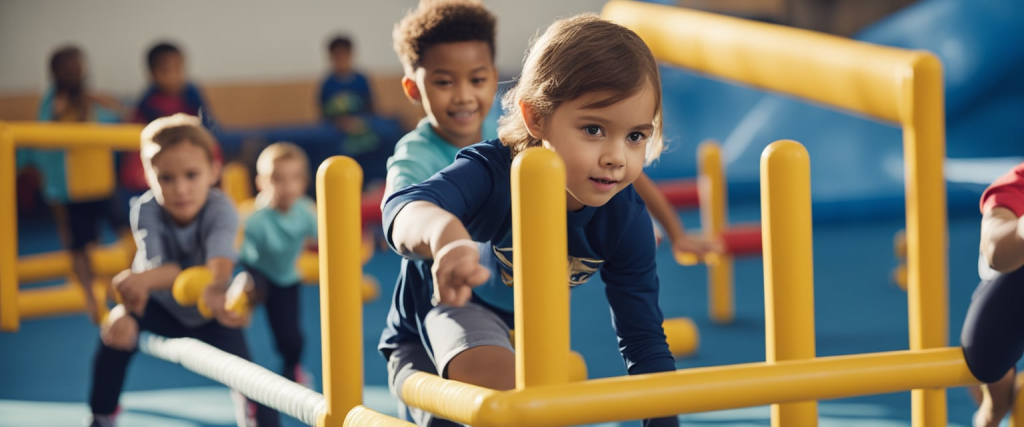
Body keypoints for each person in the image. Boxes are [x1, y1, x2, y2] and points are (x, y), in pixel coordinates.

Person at [380, 13, 715, 427]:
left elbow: (644, 340)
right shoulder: (493, 169)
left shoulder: (625, 220)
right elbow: (404, 207)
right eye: (593, 129)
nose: (616, 157)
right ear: (536, 117)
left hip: (523, 332)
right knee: (513, 405)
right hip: (442, 311)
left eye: (635, 136)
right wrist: (446, 238)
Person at [383, 0, 707, 258]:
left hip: (520, 275)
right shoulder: (417, 155)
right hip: (447, 288)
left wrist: (675, 233)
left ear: (493, 79)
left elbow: (627, 174)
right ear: (413, 89)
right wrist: (444, 238)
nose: (464, 96)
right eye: (444, 82)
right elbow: (404, 209)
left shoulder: (513, 130)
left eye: (477, 80)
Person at [87, 114, 279, 427]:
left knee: (247, 375)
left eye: (191, 175)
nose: (180, 189)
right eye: (166, 178)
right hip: (156, 303)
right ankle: (101, 414)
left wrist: (218, 290)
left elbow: (218, 266)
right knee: (114, 335)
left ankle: (257, 416)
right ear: (148, 177)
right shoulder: (146, 209)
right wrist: (125, 308)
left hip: (210, 304)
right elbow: (159, 269)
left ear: (213, 172)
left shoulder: (222, 209)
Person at [23, 45, 127, 324]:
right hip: (71, 190)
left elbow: (116, 118)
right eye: (68, 69)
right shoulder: (51, 103)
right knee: (81, 247)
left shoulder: (91, 100)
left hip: (101, 183)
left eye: (78, 67)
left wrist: (106, 105)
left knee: (125, 231)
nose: (75, 73)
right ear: (55, 73)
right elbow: (43, 139)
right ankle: (93, 301)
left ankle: (123, 288)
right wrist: (59, 114)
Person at [238, 142, 318, 386]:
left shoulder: (306, 211)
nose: (286, 186)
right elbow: (232, 249)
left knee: (291, 338)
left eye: (294, 178)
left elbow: (327, 240)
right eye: (277, 179)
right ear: (261, 183)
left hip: (285, 276)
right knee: (247, 294)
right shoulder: (253, 217)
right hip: (255, 269)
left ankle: (291, 368)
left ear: (304, 182)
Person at [961, 161, 1024, 427]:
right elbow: (995, 247)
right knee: (986, 364)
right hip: (1010, 291)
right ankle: (990, 411)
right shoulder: (1015, 185)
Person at [121, 42, 216, 195]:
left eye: (179, 69)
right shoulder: (148, 104)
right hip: (155, 174)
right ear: (152, 73)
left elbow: (209, 128)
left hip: (190, 162)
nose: (174, 76)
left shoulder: (191, 94)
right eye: (166, 71)